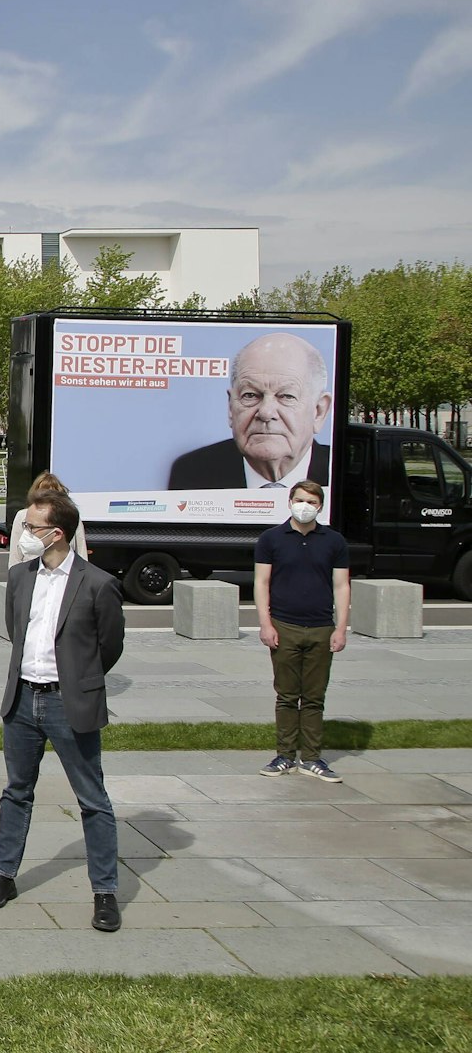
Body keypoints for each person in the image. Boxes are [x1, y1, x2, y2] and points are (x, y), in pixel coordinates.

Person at [0, 489, 127, 932]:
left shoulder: (98, 582)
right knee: (16, 791)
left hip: (69, 703)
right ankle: (4, 875)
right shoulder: (22, 578)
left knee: (92, 800)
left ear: (57, 533)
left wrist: (78, 681)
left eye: (31, 527)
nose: (24, 534)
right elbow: (15, 629)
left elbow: (110, 646)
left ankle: (104, 891)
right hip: (22, 699)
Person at [255, 479, 350, 783]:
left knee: (313, 697)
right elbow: (262, 583)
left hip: (322, 627)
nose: (304, 506)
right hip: (284, 626)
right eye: (299, 500)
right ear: (290, 502)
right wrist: (265, 623)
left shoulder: (334, 542)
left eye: (311, 501)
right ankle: (285, 755)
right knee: (286, 696)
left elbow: (341, 585)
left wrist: (341, 628)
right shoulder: (271, 539)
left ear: (320, 506)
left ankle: (311, 757)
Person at [168, 332, 332, 490]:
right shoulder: (193, 473)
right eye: (250, 395)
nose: (266, 413)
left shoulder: (346, 475)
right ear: (231, 408)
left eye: (286, 396)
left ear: (319, 411)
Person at [8, 471, 89, 565]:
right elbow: (15, 556)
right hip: (30, 572)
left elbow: (81, 551)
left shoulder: (71, 517)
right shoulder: (22, 516)